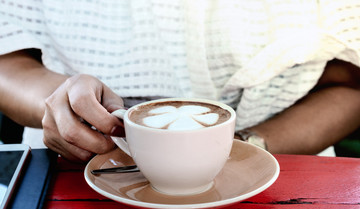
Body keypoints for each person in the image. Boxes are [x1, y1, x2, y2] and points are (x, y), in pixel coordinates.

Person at [0, 0, 359, 162]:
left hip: (285, 163)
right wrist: (59, 102)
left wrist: (248, 148)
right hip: (74, 165)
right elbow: (8, 55)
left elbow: (350, 84)